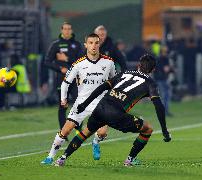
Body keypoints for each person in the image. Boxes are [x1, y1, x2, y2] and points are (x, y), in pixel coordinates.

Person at [54, 54, 171, 167]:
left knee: (85, 133)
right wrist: (164, 131)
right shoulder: (151, 83)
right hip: (116, 115)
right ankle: (130, 160)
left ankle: (62, 158)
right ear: (153, 69)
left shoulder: (125, 73)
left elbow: (102, 87)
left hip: (100, 108)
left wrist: (85, 104)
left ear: (138, 65)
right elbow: (159, 107)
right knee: (147, 129)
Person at [41, 33, 116, 165]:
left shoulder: (109, 62)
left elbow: (114, 81)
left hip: (101, 103)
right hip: (82, 103)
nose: (94, 46)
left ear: (99, 44)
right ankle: (50, 157)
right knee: (66, 130)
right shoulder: (78, 64)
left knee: (103, 132)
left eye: (96, 43)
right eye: (91, 43)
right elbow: (66, 83)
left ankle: (96, 142)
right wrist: (63, 99)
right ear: (86, 45)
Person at [44, 22, 83, 132]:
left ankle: (78, 130)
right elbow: (47, 62)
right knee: (63, 105)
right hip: (62, 79)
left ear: (71, 31)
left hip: (76, 79)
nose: (67, 31)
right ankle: (63, 132)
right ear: (61, 30)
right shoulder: (55, 45)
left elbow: (81, 61)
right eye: (65, 29)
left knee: (78, 105)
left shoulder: (77, 44)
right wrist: (60, 69)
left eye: (69, 29)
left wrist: (66, 60)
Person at [154, 46, 174, 116]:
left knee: (165, 95)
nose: (165, 53)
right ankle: (164, 111)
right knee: (165, 95)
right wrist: (171, 70)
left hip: (161, 79)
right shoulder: (163, 59)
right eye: (164, 51)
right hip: (162, 79)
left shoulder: (158, 59)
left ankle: (165, 111)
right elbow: (166, 69)